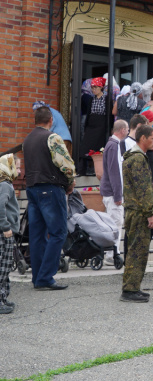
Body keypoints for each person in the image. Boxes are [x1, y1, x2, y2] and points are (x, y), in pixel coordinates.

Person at [23, 106, 75, 290]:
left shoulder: (27, 139)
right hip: (50, 188)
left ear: (35, 120)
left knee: (37, 235)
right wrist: (70, 182)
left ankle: (38, 277)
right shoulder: (52, 137)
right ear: (51, 120)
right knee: (58, 232)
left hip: (32, 189)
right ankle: (46, 277)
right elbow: (66, 164)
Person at [120, 125, 153, 302]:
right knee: (137, 251)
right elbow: (143, 189)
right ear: (142, 138)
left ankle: (133, 287)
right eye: (152, 138)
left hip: (135, 210)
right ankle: (130, 290)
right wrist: (150, 213)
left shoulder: (134, 157)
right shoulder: (137, 159)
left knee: (136, 249)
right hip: (139, 212)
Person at [100, 119, 129, 263]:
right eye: (127, 129)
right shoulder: (114, 146)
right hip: (113, 193)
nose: (128, 132)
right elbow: (114, 172)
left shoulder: (112, 145)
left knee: (114, 223)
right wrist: (118, 194)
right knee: (115, 223)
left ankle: (112, 253)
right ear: (122, 130)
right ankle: (112, 254)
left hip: (111, 192)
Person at [0, 154, 21, 313]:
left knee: (5, 267)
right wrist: (5, 226)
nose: (19, 172)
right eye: (17, 167)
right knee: (3, 267)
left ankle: (3, 298)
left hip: (5, 232)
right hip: (4, 233)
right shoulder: (5, 185)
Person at [79, 77, 109, 175]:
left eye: (95, 87)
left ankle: (95, 170)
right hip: (91, 125)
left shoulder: (106, 99)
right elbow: (88, 113)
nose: (93, 90)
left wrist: (109, 127)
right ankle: (82, 170)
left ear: (101, 87)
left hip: (101, 125)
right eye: (92, 88)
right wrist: (86, 125)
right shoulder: (91, 99)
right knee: (85, 147)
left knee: (98, 148)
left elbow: (109, 115)